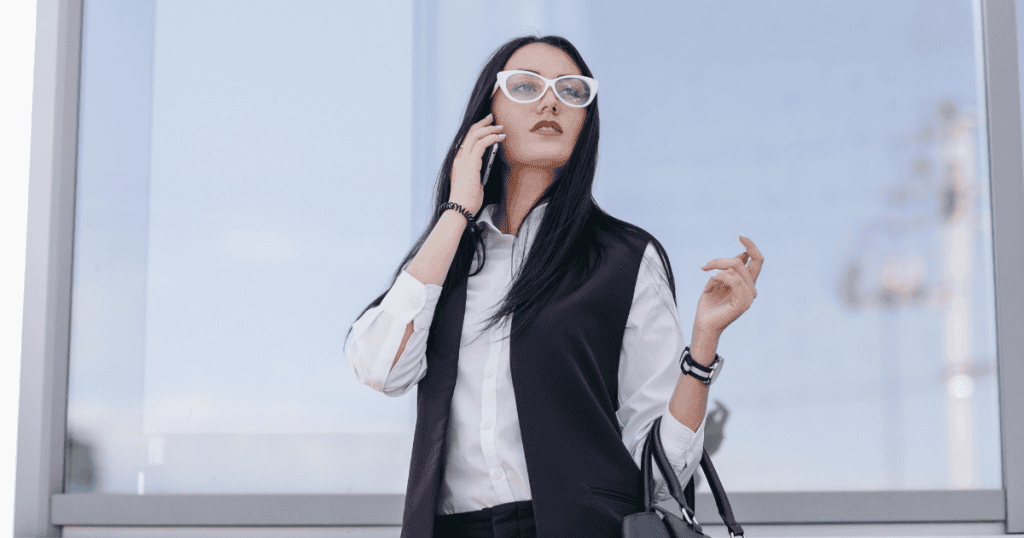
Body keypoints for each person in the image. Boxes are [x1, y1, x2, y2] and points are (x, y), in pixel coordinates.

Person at [345, 35, 763, 538]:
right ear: (487, 114)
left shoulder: (624, 259)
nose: (550, 101)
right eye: (525, 86)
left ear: (586, 121)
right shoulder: (448, 261)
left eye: (571, 91)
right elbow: (378, 368)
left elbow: (659, 472)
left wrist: (702, 348)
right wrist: (457, 211)